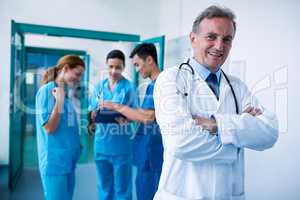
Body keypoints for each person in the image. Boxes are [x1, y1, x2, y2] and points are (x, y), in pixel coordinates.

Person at [153, 5, 279, 200]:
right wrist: (238, 139)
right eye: (211, 37)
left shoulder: (238, 87)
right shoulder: (171, 79)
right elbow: (179, 142)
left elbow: (269, 133)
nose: (220, 46)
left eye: (227, 39)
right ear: (193, 39)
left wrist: (217, 124)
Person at [101, 43, 163, 200]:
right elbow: (146, 114)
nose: (136, 70)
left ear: (149, 60)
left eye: (137, 64)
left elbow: (148, 117)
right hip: (148, 151)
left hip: (150, 152)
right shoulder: (155, 84)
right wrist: (128, 117)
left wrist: (116, 106)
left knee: (146, 193)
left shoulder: (157, 85)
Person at [88, 49, 136, 200]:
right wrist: (93, 116)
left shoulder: (129, 87)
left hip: (120, 146)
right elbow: (91, 110)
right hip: (101, 145)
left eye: (118, 67)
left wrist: (126, 119)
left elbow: (135, 114)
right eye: (111, 67)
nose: (114, 71)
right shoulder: (99, 87)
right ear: (106, 66)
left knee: (122, 188)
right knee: (104, 186)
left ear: (123, 67)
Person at [36, 55, 85, 200]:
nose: (78, 78)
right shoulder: (48, 91)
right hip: (54, 163)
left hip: (68, 160)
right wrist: (59, 101)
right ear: (65, 68)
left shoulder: (64, 94)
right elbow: (49, 128)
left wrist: (76, 144)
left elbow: (66, 127)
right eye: (77, 74)